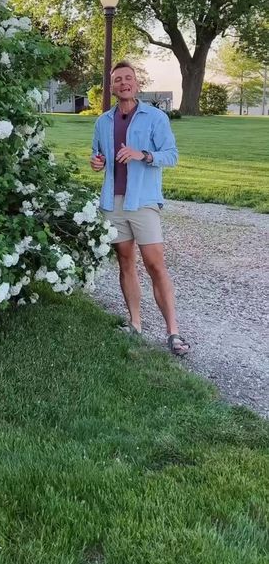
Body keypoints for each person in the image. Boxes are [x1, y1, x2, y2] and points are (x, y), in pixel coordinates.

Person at [90, 61, 189, 356]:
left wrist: (142, 154)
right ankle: (135, 323)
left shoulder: (155, 117)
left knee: (155, 264)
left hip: (143, 200)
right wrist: (97, 163)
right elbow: (97, 156)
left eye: (128, 78)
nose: (123, 83)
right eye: (118, 79)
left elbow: (171, 155)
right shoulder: (103, 121)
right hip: (113, 202)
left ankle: (173, 332)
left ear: (137, 84)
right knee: (125, 261)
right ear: (112, 86)